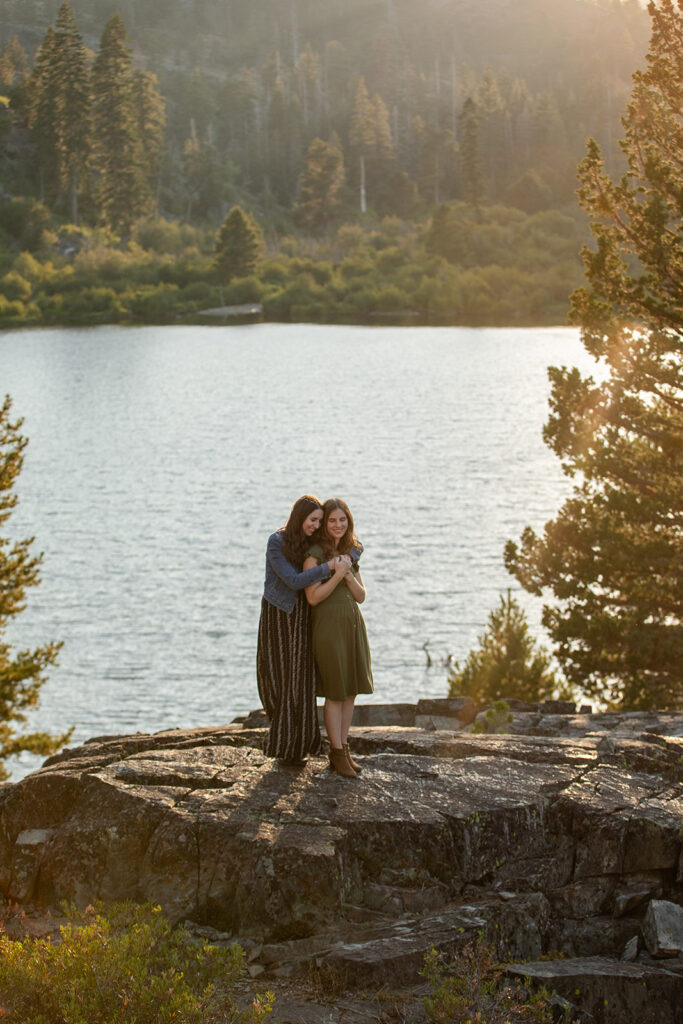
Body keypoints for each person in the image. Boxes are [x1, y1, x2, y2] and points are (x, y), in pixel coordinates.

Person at [257, 495, 352, 765]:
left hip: (304, 617)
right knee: (277, 679)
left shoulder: (313, 544)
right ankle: (284, 740)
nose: (316, 525)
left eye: (320, 521)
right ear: (300, 518)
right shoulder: (276, 542)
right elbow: (293, 580)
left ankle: (296, 748)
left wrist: (346, 559)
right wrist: (329, 567)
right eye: (313, 520)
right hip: (278, 617)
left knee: (301, 682)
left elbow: (351, 549)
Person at [303, 498, 373, 778]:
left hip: (352, 625)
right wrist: (336, 573)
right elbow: (313, 597)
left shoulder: (350, 552)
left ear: (349, 522)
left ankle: (344, 748)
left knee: (351, 690)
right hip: (329, 628)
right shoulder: (314, 554)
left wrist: (346, 574)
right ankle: (335, 751)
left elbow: (361, 596)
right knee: (335, 692)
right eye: (332, 520)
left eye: (342, 520)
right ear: (324, 524)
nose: (338, 525)